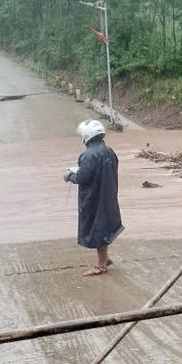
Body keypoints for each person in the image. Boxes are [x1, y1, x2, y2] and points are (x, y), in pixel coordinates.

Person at [65, 119, 123, 277]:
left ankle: (101, 265)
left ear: (86, 136)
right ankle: (104, 258)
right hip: (108, 196)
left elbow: (82, 177)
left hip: (94, 199)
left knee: (97, 231)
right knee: (104, 227)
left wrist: (70, 176)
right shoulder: (109, 151)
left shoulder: (88, 155)